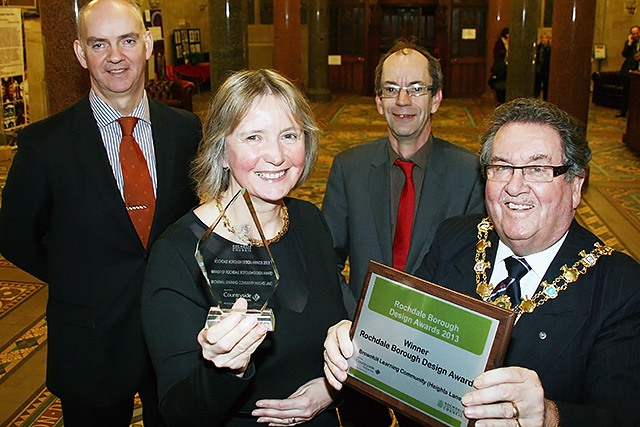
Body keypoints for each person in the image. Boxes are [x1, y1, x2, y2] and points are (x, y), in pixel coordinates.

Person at [323, 97, 640, 427]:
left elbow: (622, 415)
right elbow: (404, 334)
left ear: (575, 186)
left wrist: (549, 416)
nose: (515, 187)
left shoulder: (619, 287)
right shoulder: (455, 238)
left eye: (538, 169)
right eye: (501, 167)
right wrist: (359, 342)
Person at [0, 0, 201, 425]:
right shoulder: (43, 144)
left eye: (127, 40)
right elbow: (15, 236)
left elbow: (198, 220)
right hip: (90, 338)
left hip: (174, 331)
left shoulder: (186, 131)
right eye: (99, 44)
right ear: (79, 52)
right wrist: (79, 275)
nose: (115, 56)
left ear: (147, 44)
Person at [141, 69, 347, 426]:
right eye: (254, 137)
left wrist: (330, 388)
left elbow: (337, 317)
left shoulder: (308, 220)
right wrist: (226, 369)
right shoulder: (177, 254)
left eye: (289, 135)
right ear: (221, 152)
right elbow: (178, 412)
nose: (277, 156)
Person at [321, 38, 484, 427]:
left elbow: (476, 271)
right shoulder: (349, 168)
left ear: (437, 98)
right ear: (378, 101)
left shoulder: (469, 174)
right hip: (359, 351)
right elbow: (326, 259)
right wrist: (358, 320)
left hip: (436, 360)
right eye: (391, 89)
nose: (403, 101)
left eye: (416, 88)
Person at [617, 25, 640, 118]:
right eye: (633, 34)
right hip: (628, 71)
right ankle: (623, 112)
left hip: (638, 71)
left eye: (637, 33)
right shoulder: (629, 43)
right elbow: (624, 54)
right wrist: (630, 43)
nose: (635, 35)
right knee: (625, 92)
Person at [489, 27, 509, 104]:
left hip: (509, 67)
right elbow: (496, 55)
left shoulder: (512, 43)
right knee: (500, 85)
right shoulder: (499, 43)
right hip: (501, 67)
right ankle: (500, 101)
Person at [534, 33, 551, 101]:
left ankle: (545, 99)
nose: (544, 39)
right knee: (537, 86)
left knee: (546, 86)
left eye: (545, 38)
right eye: (542, 38)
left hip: (546, 69)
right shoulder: (538, 48)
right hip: (538, 69)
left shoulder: (550, 49)